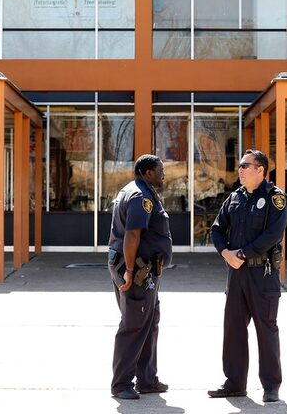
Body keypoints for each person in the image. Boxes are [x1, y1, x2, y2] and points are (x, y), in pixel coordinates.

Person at [208, 149, 287, 404]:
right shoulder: (235, 197)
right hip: (236, 274)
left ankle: (271, 386)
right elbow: (217, 229)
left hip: (262, 273)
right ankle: (234, 383)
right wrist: (225, 253)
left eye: (246, 165)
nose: (240, 170)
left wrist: (241, 253)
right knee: (233, 329)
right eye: (240, 166)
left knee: (266, 329)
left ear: (261, 170)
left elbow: (273, 235)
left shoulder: (276, 198)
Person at [107, 154, 173, 400]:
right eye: (160, 170)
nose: (163, 174)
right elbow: (132, 235)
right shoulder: (140, 196)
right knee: (134, 325)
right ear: (148, 173)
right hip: (138, 272)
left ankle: (147, 379)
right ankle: (121, 383)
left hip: (145, 272)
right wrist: (131, 271)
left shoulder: (134, 190)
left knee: (149, 321)